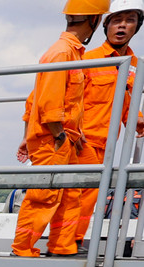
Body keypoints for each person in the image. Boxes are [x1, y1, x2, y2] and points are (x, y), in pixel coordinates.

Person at [12, 0, 111, 258]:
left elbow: (37, 99)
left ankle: (62, 247)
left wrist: (74, 136)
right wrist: (59, 135)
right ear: (95, 21)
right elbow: (47, 104)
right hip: (52, 139)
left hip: (65, 138)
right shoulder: (61, 53)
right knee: (44, 195)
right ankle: (21, 250)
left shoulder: (73, 52)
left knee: (70, 195)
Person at [73, 0, 144, 247]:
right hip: (82, 140)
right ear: (105, 25)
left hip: (106, 144)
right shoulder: (89, 59)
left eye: (130, 20)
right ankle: (66, 244)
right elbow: (70, 98)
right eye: (117, 20)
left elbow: (127, 103)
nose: (123, 26)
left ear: (138, 26)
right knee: (80, 195)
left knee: (91, 196)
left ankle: (72, 242)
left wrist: (139, 123)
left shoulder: (135, 64)